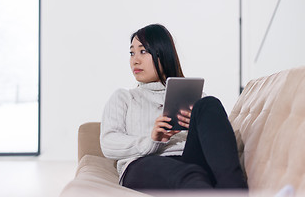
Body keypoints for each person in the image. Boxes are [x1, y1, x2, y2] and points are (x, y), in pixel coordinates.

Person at [100, 24, 248, 190]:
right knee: (188, 175)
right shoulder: (124, 97)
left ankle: (235, 190)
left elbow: (218, 139)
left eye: (143, 51)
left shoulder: (195, 98)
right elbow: (108, 144)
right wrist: (152, 140)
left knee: (209, 103)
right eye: (131, 52)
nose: (135, 60)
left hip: (188, 160)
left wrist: (196, 126)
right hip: (143, 165)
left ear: (163, 53)